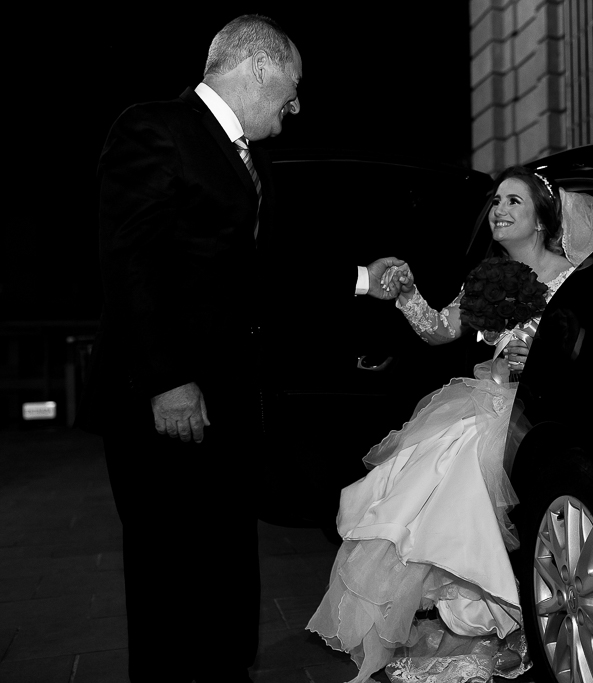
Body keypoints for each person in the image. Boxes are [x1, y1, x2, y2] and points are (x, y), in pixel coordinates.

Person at [76, 15, 404, 682]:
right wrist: (168, 379)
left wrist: (367, 278)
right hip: (165, 401)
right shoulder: (154, 128)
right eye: (294, 84)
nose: (297, 102)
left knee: (223, 555)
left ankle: (226, 668)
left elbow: (269, 270)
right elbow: (129, 262)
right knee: (170, 566)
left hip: (228, 398)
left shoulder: (253, 164)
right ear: (258, 67)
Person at [307, 166, 593, 682]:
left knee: (482, 507)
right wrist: (405, 293)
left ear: (541, 218)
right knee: (428, 495)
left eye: (514, 201)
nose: (499, 210)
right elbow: (439, 331)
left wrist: (536, 356)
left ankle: (525, 624)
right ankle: (498, 632)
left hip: (540, 413)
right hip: (486, 404)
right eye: (496, 201)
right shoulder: (486, 278)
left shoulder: (573, 277)